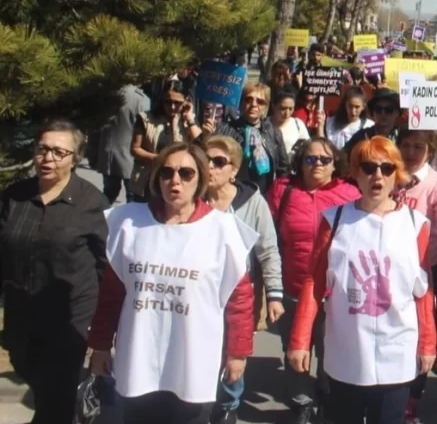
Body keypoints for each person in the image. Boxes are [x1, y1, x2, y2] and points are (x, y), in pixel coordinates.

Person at [88, 143, 257, 424]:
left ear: (200, 179)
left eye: (186, 173)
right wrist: (101, 344)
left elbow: (240, 300)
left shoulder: (223, 230)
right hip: (139, 355)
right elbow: (111, 295)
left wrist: (237, 352)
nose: (174, 180)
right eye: (167, 172)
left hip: (193, 359)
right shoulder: (129, 223)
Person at [287, 137, 437, 424]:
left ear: (397, 174)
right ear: (356, 173)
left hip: (397, 349)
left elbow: (424, 292)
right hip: (348, 349)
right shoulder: (334, 219)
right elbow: (313, 283)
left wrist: (428, 342)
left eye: (386, 168)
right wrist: (300, 340)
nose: (377, 175)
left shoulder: (416, 224)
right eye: (368, 167)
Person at [1, 121, 108, 424]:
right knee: (36, 380)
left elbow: (105, 265)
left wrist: (102, 325)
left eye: (59, 152)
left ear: (75, 158)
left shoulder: (91, 203)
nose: (48, 158)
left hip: (70, 319)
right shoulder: (15, 196)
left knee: (55, 401)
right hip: (22, 315)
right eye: (42, 149)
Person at [267, 138, 361, 423]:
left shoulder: (350, 194)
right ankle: (302, 401)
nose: (317, 164)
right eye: (310, 159)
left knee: (330, 348)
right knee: (296, 348)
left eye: (324, 159)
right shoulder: (283, 191)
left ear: (335, 165)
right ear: (300, 163)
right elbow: (268, 239)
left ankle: (325, 387)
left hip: (335, 292)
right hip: (293, 288)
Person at [204, 136, 285, 423]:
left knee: (233, 353)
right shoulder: (191, 196)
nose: (209, 167)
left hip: (240, 292)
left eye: (218, 162)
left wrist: (274, 294)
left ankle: (228, 405)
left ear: (234, 170)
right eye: (205, 159)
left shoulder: (253, 203)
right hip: (199, 291)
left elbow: (268, 250)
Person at [395, 128, 437, 416]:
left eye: (418, 147)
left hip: (427, 265)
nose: (410, 152)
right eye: (405, 145)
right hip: (393, 264)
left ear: (430, 151)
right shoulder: (391, 173)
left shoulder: (434, 181)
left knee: (423, 329)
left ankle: (413, 396)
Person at [212, 82, 289, 195]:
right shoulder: (225, 129)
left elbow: (283, 169)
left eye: (260, 102)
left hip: (264, 193)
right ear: (241, 102)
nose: (254, 104)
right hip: (233, 192)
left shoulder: (274, 132)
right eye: (248, 99)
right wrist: (206, 135)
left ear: (266, 107)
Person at [132, 82, 202, 199]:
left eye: (177, 103)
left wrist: (189, 119)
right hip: (148, 183)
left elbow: (201, 144)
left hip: (177, 183)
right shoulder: (145, 118)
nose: (173, 107)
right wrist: (159, 159)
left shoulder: (187, 121)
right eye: (168, 102)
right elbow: (135, 149)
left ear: (185, 101)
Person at [99, 83, 150, 204]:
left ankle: (98, 220)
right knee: (133, 198)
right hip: (130, 156)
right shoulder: (140, 99)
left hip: (108, 156)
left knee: (108, 194)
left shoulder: (108, 94)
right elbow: (146, 129)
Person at [343, 88, 402, 153]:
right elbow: (342, 156)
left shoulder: (403, 136)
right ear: (372, 112)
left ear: (397, 112)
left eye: (388, 110)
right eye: (378, 109)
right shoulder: (362, 136)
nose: (383, 113)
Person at [272, 91, 311, 157]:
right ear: (273, 106)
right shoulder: (264, 125)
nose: (287, 113)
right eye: (283, 108)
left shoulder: (298, 124)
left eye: (290, 109)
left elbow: (307, 145)